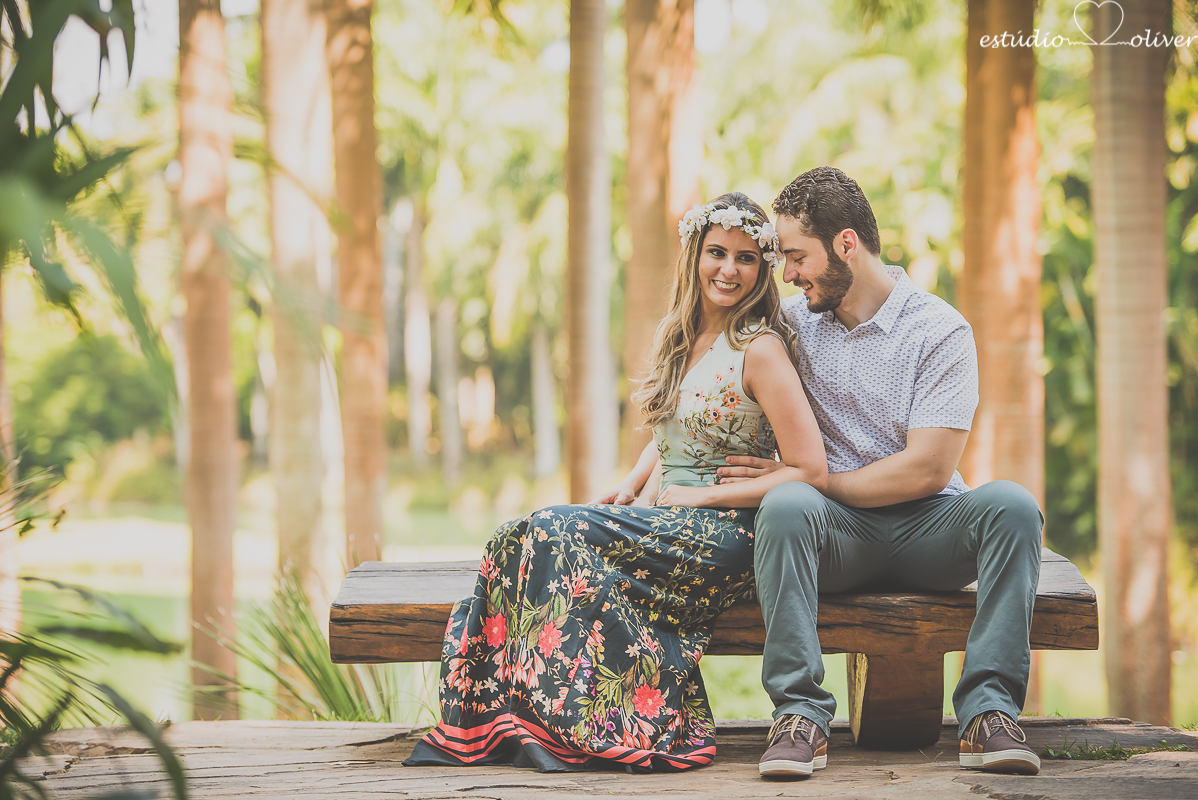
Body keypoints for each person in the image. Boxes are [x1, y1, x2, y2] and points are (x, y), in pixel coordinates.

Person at [403, 192, 828, 773]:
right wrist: (630, 486)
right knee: (516, 535)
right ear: (694, 256)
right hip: (670, 520)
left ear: (763, 269)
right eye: (717, 253)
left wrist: (703, 495)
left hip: (729, 531)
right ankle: (508, 714)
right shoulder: (683, 338)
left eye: (747, 258)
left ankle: (611, 720)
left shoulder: (761, 349)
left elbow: (810, 470)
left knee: (554, 528)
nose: (729, 269)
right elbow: (676, 431)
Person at [713, 167, 1045, 779]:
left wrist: (811, 477)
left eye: (795, 256)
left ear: (845, 244)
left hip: (932, 529)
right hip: (836, 534)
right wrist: (645, 476)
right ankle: (799, 715)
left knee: (1015, 507)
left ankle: (989, 712)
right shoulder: (790, 326)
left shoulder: (940, 329)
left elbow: (928, 468)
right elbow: (700, 382)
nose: (786, 274)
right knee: (785, 507)